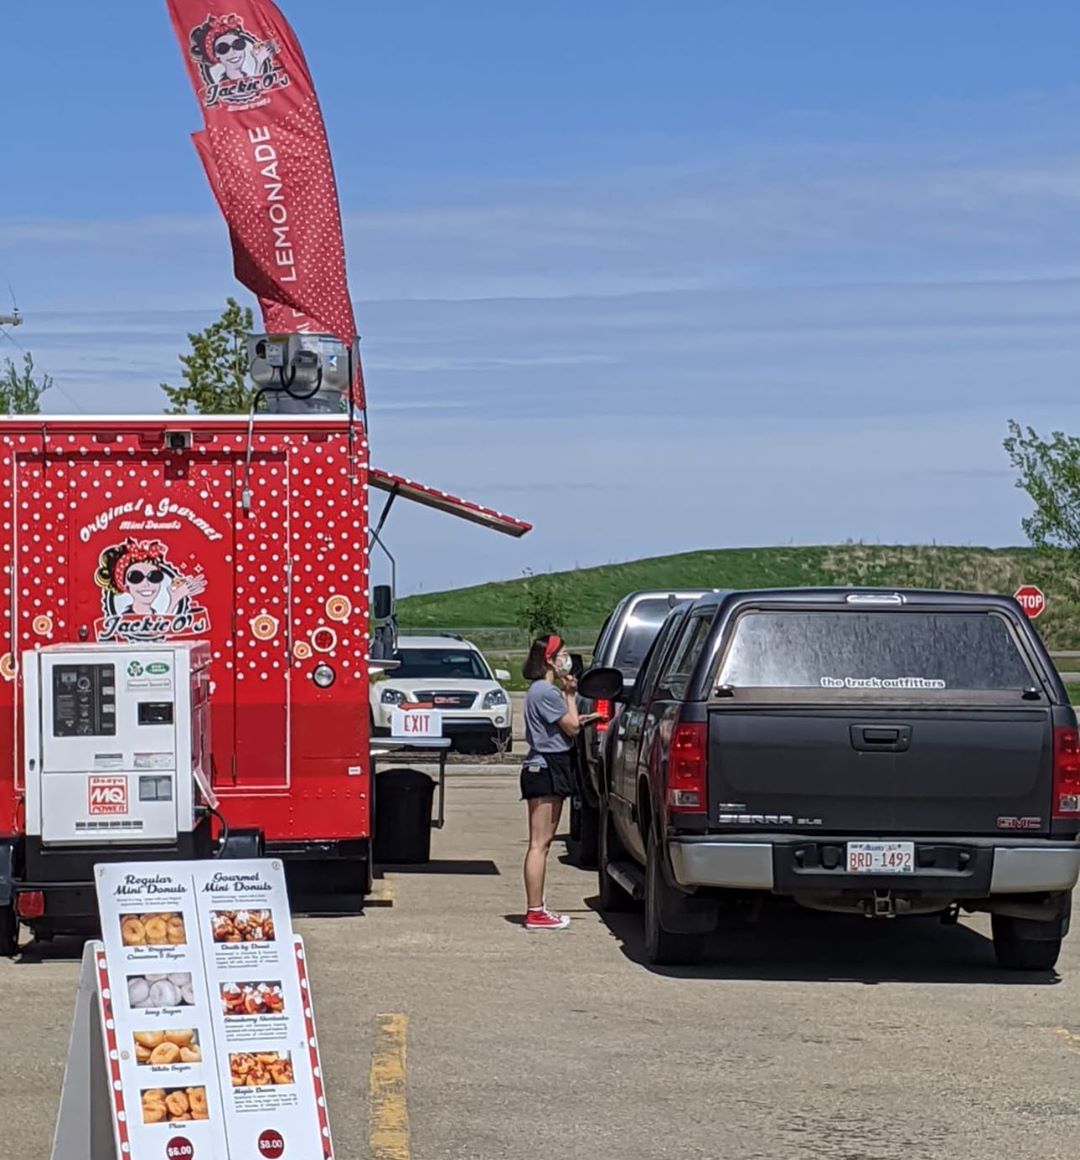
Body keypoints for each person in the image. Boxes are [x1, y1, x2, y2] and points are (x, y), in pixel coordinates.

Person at [519, 634, 598, 930]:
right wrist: (570, 695)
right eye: (562, 654)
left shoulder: (539, 692)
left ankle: (537, 908)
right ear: (549, 660)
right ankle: (535, 910)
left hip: (547, 765)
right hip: (546, 767)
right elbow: (572, 727)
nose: (567, 659)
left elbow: (569, 724)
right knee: (539, 844)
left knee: (544, 843)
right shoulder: (546, 692)